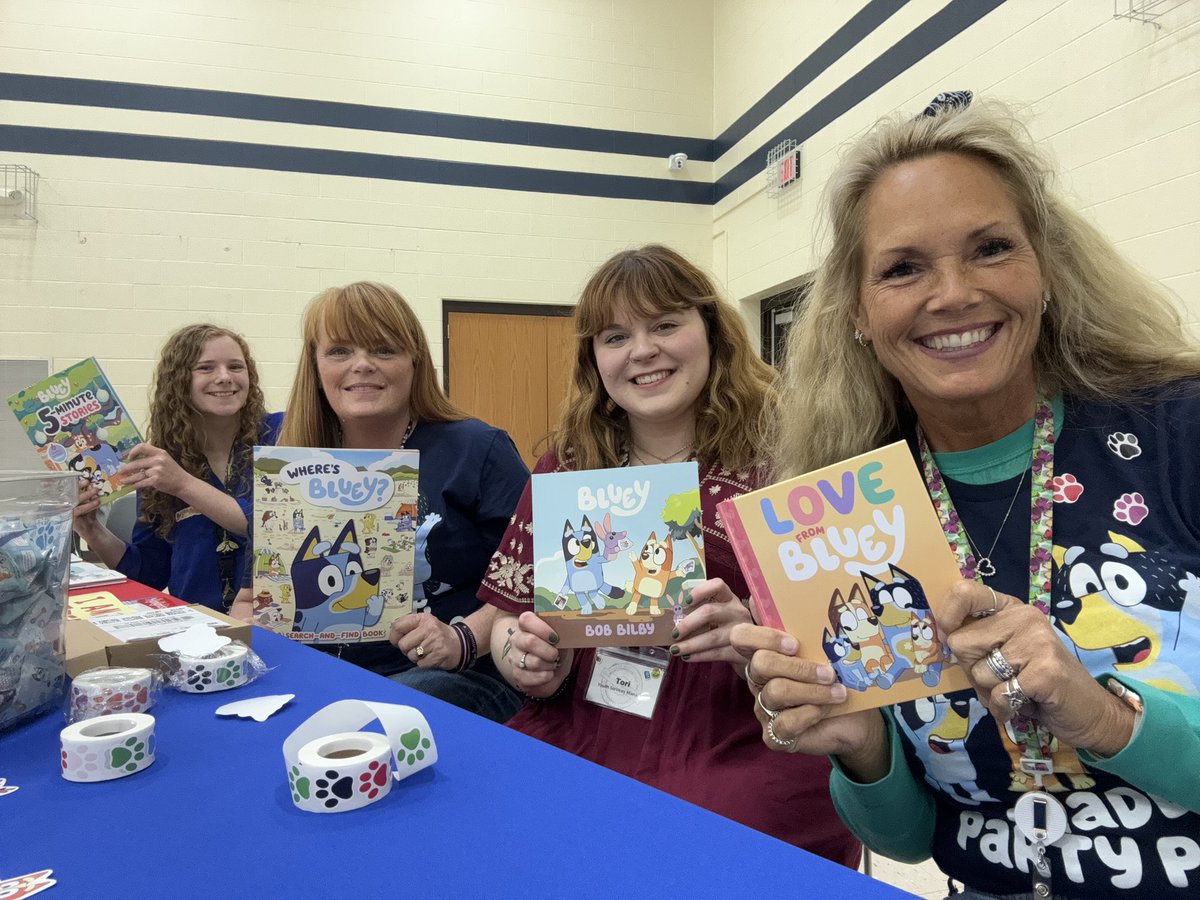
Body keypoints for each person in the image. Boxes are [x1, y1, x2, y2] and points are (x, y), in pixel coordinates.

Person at [732, 92, 1200, 899]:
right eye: (904, 267)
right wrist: (860, 749)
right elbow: (911, 838)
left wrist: (1110, 721)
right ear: (859, 314)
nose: (951, 294)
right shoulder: (845, 515)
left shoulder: (1176, 433)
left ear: (1045, 270)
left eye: (989, 248)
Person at [478, 245, 860, 864]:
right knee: (509, 816)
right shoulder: (566, 467)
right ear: (593, 359)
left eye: (665, 324)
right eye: (615, 336)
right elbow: (505, 620)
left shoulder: (789, 458)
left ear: (711, 330)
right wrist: (525, 660)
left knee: (710, 841)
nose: (643, 350)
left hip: (746, 735)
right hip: (584, 723)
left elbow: (850, 647)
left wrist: (753, 640)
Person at [232, 281, 527, 723]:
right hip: (324, 674)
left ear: (415, 362)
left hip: (458, 674)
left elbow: (535, 580)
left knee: (360, 723)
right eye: (339, 352)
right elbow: (250, 597)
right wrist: (248, 632)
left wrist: (462, 637)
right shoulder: (288, 467)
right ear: (315, 366)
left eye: (384, 349)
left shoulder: (476, 449)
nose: (362, 365)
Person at [73, 324, 282, 611]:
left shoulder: (281, 436)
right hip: (200, 634)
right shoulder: (161, 463)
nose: (224, 377)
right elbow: (148, 574)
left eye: (236, 366)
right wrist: (92, 530)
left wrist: (183, 484)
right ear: (179, 381)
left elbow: (274, 527)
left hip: (273, 624)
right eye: (206, 368)